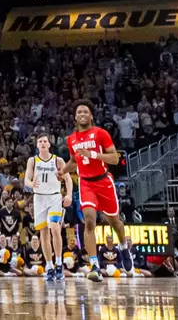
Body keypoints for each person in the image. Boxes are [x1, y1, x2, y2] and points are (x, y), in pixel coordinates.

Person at [60, 100, 131, 282]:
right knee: (89, 220)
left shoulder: (101, 133)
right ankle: (94, 265)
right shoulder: (71, 139)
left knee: (115, 222)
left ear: (91, 115)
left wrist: (92, 154)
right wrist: (62, 171)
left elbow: (115, 158)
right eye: (79, 112)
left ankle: (123, 246)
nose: (82, 114)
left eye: (85, 111)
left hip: (104, 181)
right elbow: (74, 161)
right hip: (86, 183)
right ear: (75, 117)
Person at [25, 133, 73, 283]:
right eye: (40, 141)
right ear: (37, 145)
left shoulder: (58, 160)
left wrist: (69, 195)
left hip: (54, 197)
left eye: (45, 141)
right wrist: (31, 184)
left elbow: (68, 179)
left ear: (49, 144)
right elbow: (26, 179)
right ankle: (50, 266)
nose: (43, 143)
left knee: (54, 228)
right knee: (44, 233)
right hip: (39, 198)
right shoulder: (32, 160)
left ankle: (59, 263)